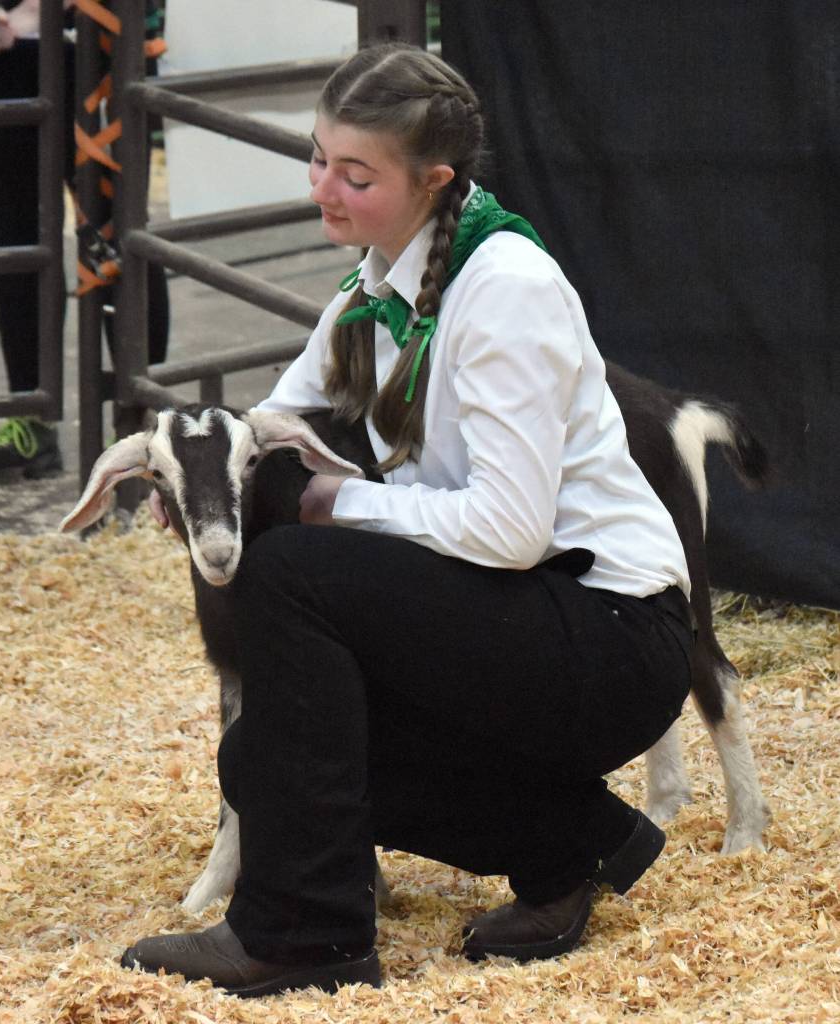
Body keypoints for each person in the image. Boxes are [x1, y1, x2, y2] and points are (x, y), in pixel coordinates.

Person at [121, 43, 694, 999]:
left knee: (291, 572)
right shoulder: (372, 284)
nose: (324, 192)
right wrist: (198, 476)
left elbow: (512, 531)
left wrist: (340, 498)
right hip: (520, 615)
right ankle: (572, 843)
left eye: (357, 175)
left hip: (610, 636)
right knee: (264, 755)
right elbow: (275, 426)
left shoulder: (505, 286)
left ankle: (306, 935)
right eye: (317, 160)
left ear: (435, 181)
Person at [0, 0, 169, 482]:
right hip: (8, 51)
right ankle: (31, 416)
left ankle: (140, 422)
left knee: (120, 238)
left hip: (104, 42)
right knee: (16, 241)